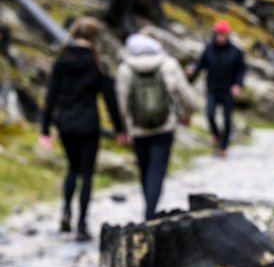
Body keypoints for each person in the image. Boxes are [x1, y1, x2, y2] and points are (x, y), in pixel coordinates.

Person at [40, 17, 128, 241]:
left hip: (66, 123)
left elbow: (51, 97)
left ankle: (66, 212)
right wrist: (120, 128)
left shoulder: (62, 60)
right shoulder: (98, 64)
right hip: (89, 124)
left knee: (71, 168)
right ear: (94, 38)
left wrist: (45, 129)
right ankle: (81, 224)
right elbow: (110, 100)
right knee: (86, 173)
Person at [116, 29, 196, 220]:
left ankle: (148, 207)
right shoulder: (169, 64)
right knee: (157, 171)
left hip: (138, 128)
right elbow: (187, 97)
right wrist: (186, 115)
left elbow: (122, 102)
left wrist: (126, 128)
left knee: (144, 170)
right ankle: (150, 212)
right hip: (164, 127)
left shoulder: (125, 68)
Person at [186, 20, 246, 158]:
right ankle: (216, 135)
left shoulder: (236, 52)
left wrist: (238, 84)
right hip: (212, 88)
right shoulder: (209, 48)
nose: (220, 37)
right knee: (210, 114)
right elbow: (201, 63)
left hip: (228, 90)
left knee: (226, 118)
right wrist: (193, 67)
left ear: (227, 35)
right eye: (218, 34)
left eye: (223, 35)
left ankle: (223, 147)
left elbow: (241, 70)